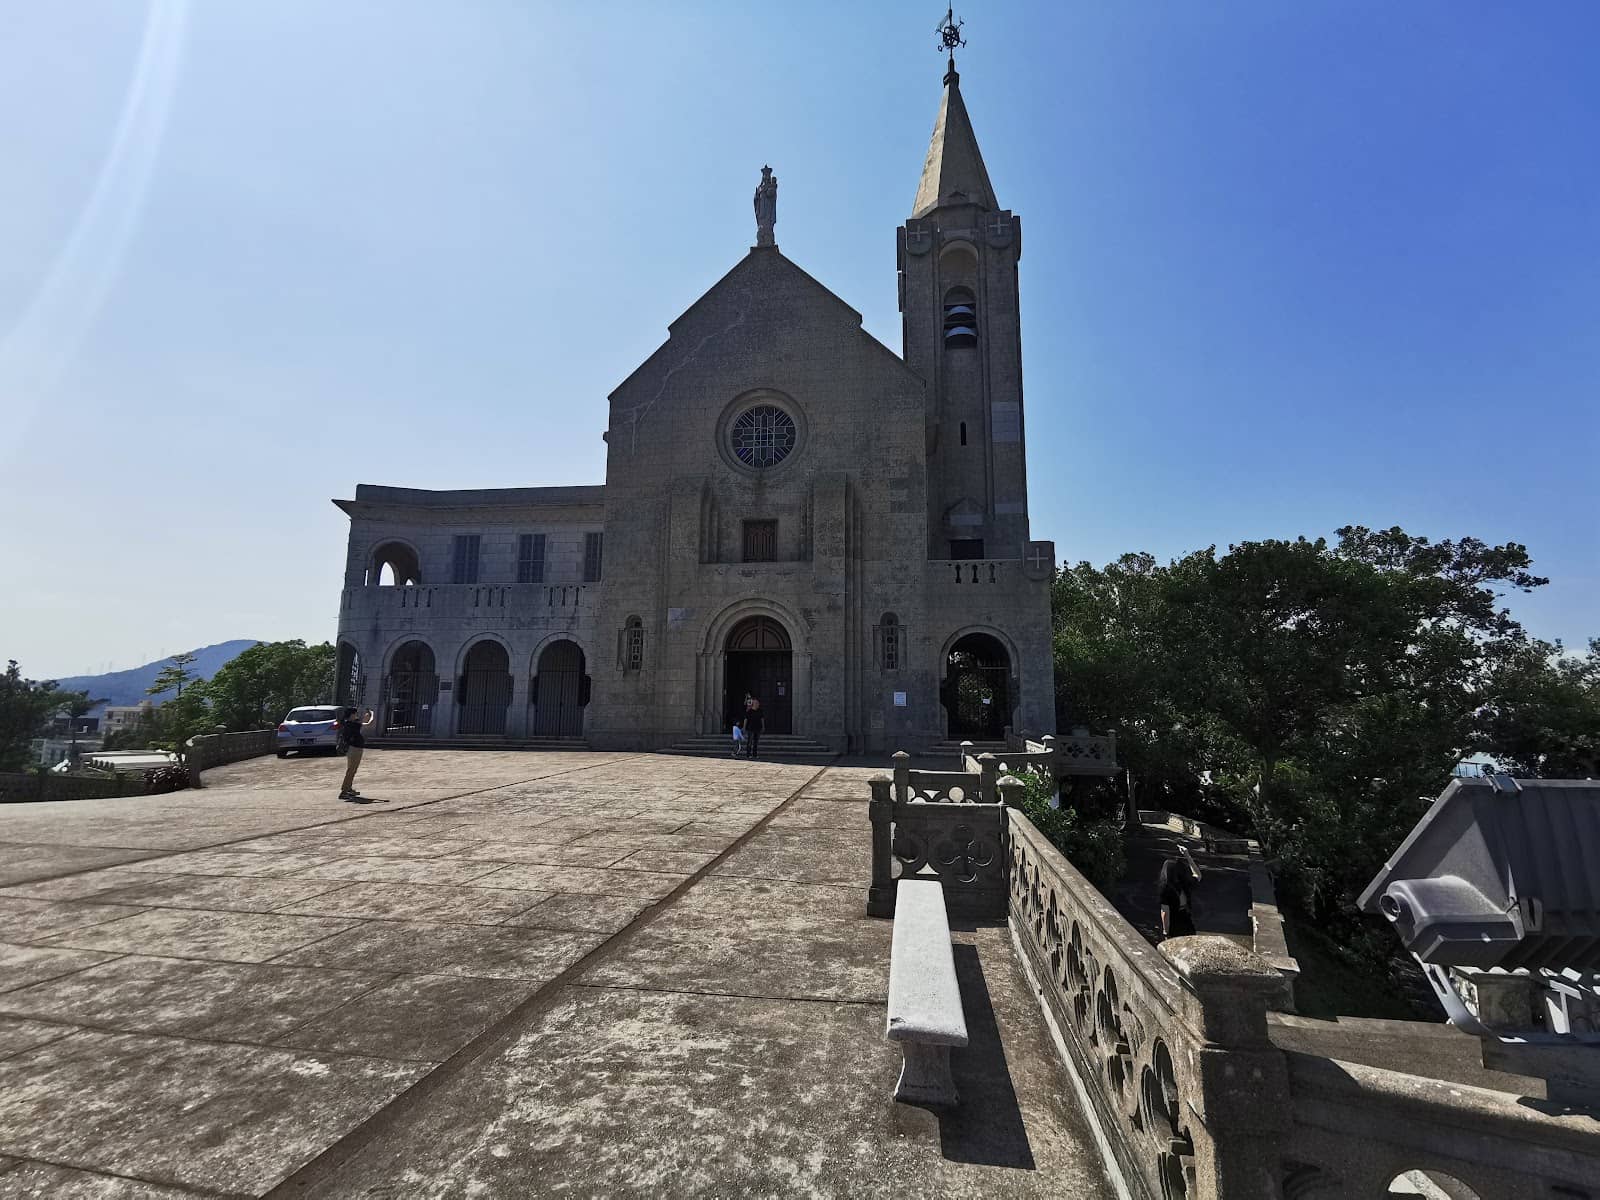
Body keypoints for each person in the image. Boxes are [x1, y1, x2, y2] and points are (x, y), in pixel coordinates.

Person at [1157, 847, 1201, 938]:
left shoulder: (1165, 888)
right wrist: (1187, 855)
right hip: (1187, 921)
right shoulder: (1185, 883)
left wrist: (1166, 932)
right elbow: (1198, 875)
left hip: (1174, 924)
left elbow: (1165, 913)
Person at [337, 706, 375, 800]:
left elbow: (362, 722)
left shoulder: (348, 723)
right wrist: (372, 714)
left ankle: (348, 789)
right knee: (351, 770)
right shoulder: (351, 724)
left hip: (353, 748)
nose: (356, 715)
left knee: (352, 770)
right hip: (354, 749)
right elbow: (369, 724)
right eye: (355, 714)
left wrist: (367, 716)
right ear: (351, 715)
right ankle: (344, 791)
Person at [743, 696, 764, 761]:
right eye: (756, 703)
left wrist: (763, 727)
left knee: (756, 742)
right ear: (753, 704)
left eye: (758, 703)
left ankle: (755, 754)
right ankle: (748, 754)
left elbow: (762, 719)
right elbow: (746, 719)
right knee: (750, 741)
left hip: (758, 728)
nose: (757, 704)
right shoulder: (749, 711)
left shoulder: (760, 711)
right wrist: (744, 727)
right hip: (751, 728)